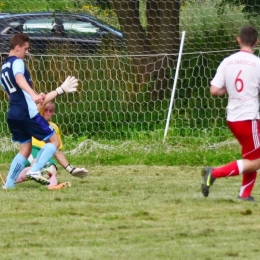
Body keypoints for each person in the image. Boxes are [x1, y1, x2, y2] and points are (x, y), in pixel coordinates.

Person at [1, 33, 78, 189]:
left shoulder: (2, 69)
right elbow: (19, 79)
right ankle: (35, 170)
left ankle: (9, 184)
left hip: (13, 113)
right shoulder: (17, 62)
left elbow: (12, 95)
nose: (27, 52)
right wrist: (34, 95)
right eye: (26, 49)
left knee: (25, 148)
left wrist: (43, 95)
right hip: (27, 113)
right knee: (54, 141)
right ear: (17, 48)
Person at [201, 25, 260, 202]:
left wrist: (230, 89)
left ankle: (245, 194)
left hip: (233, 118)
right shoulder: (257, 63)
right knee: (256, 161)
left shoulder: (227, 61)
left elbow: (214, 90)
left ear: (238, 40)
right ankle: (214, 173)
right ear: (256, 42)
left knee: (251, 157)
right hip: (249, 118)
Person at [16, 101, 89, 189]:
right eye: (45, 110)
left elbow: (57, 151)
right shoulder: (33, 119)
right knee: (40, 163)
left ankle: (52, 186)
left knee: (53, 168)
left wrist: (71, 169)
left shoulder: (54, 128)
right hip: (32, 149)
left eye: (51, 111)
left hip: (46, 151)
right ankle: (20, 176)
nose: (48, 113)